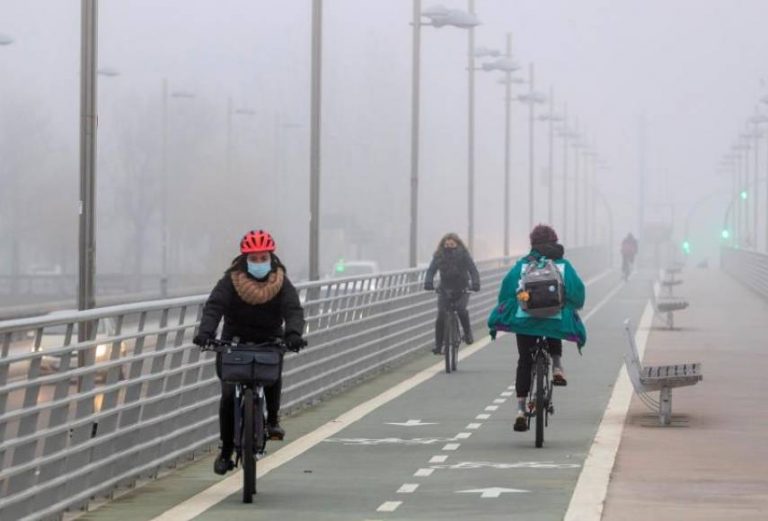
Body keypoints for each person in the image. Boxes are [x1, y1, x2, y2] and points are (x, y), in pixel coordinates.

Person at [193, 230, 305, 475]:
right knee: (227, 393)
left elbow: (293, 309)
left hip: (269, 339)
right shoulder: (230, 282)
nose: (258, 263)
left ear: (271, 258)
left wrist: (294, 334)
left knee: (272, 373)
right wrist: (206, 332)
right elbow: (214, 307)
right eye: (253, 259)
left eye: (262, 258)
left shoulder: (281, 282)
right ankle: (225, 451)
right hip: (235, 341)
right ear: (244, 260)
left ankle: (272, 420)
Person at [487, 224, 586, 432]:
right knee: (552, 325)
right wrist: (570, 306)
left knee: (524, 360)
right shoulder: (562, 264)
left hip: (525, 319)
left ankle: (521, 410)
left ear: (533, 243)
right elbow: (577, 294)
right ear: (555, 241)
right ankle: (557, 366)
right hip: (555, 318)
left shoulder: (523, 265)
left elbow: (506, 291)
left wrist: (506, 307)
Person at [423, 233, 481, 354]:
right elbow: (431, 270)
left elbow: (473, 270)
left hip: (462, 289)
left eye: (452, 245)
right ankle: (438, 346)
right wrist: (428, 282)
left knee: (461, 310)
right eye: (447, 245)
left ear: (457, 244)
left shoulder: (464, 255)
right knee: (441, 315)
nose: (449, 247)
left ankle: (467, 333)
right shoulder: (439, 256)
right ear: (443, 245)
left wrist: (475, 284)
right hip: (445, 289)